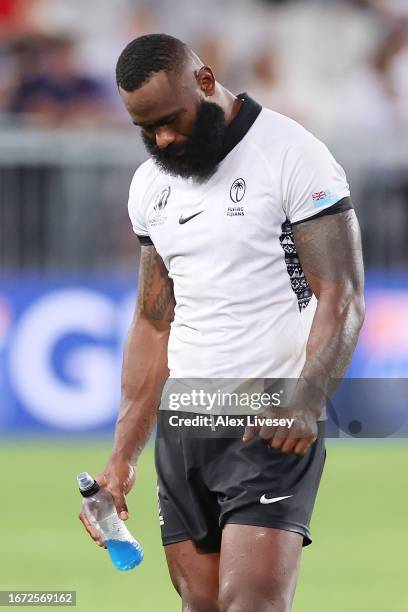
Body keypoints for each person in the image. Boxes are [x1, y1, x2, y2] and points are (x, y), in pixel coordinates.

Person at [79, 33, 365, 612]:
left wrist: (308, 397)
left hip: (269, 418)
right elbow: (154, 323)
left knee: (251, 604)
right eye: (146, 128)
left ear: (205, 82)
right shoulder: (150, 187)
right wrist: (122, 457)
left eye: (170, 120)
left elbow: (343, 294)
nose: (162, 138)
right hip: (185, 425)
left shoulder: (291, 154)